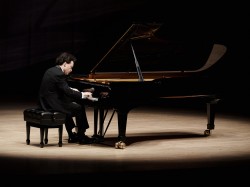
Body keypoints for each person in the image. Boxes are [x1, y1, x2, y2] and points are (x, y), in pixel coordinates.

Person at [38, 52, 94, 144]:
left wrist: (74, 90)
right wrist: (83, 95)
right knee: (78, 107)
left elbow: (61, 88)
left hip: (45, 102)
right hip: (52, 105)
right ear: (65, 64)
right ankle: (81, 136)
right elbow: (67, 91)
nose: (71, 70)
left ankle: (71, 135)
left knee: (70, 103)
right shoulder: (59, 74)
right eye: (71, 67)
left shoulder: (51, 70)